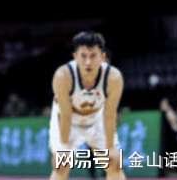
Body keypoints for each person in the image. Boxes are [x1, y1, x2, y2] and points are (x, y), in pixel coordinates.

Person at [49, 31, 125, 180]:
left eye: (93, 56)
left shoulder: (113, 77)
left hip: (97, 117)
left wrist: (110, 147)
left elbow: (109, 114)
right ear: (75, 56)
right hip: (68, 119)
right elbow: (65, 115)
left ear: (102, 57)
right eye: (83, 56)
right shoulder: (63, 76)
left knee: (114, 163)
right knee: (61, 164)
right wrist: (63, 147)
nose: (88, 62)